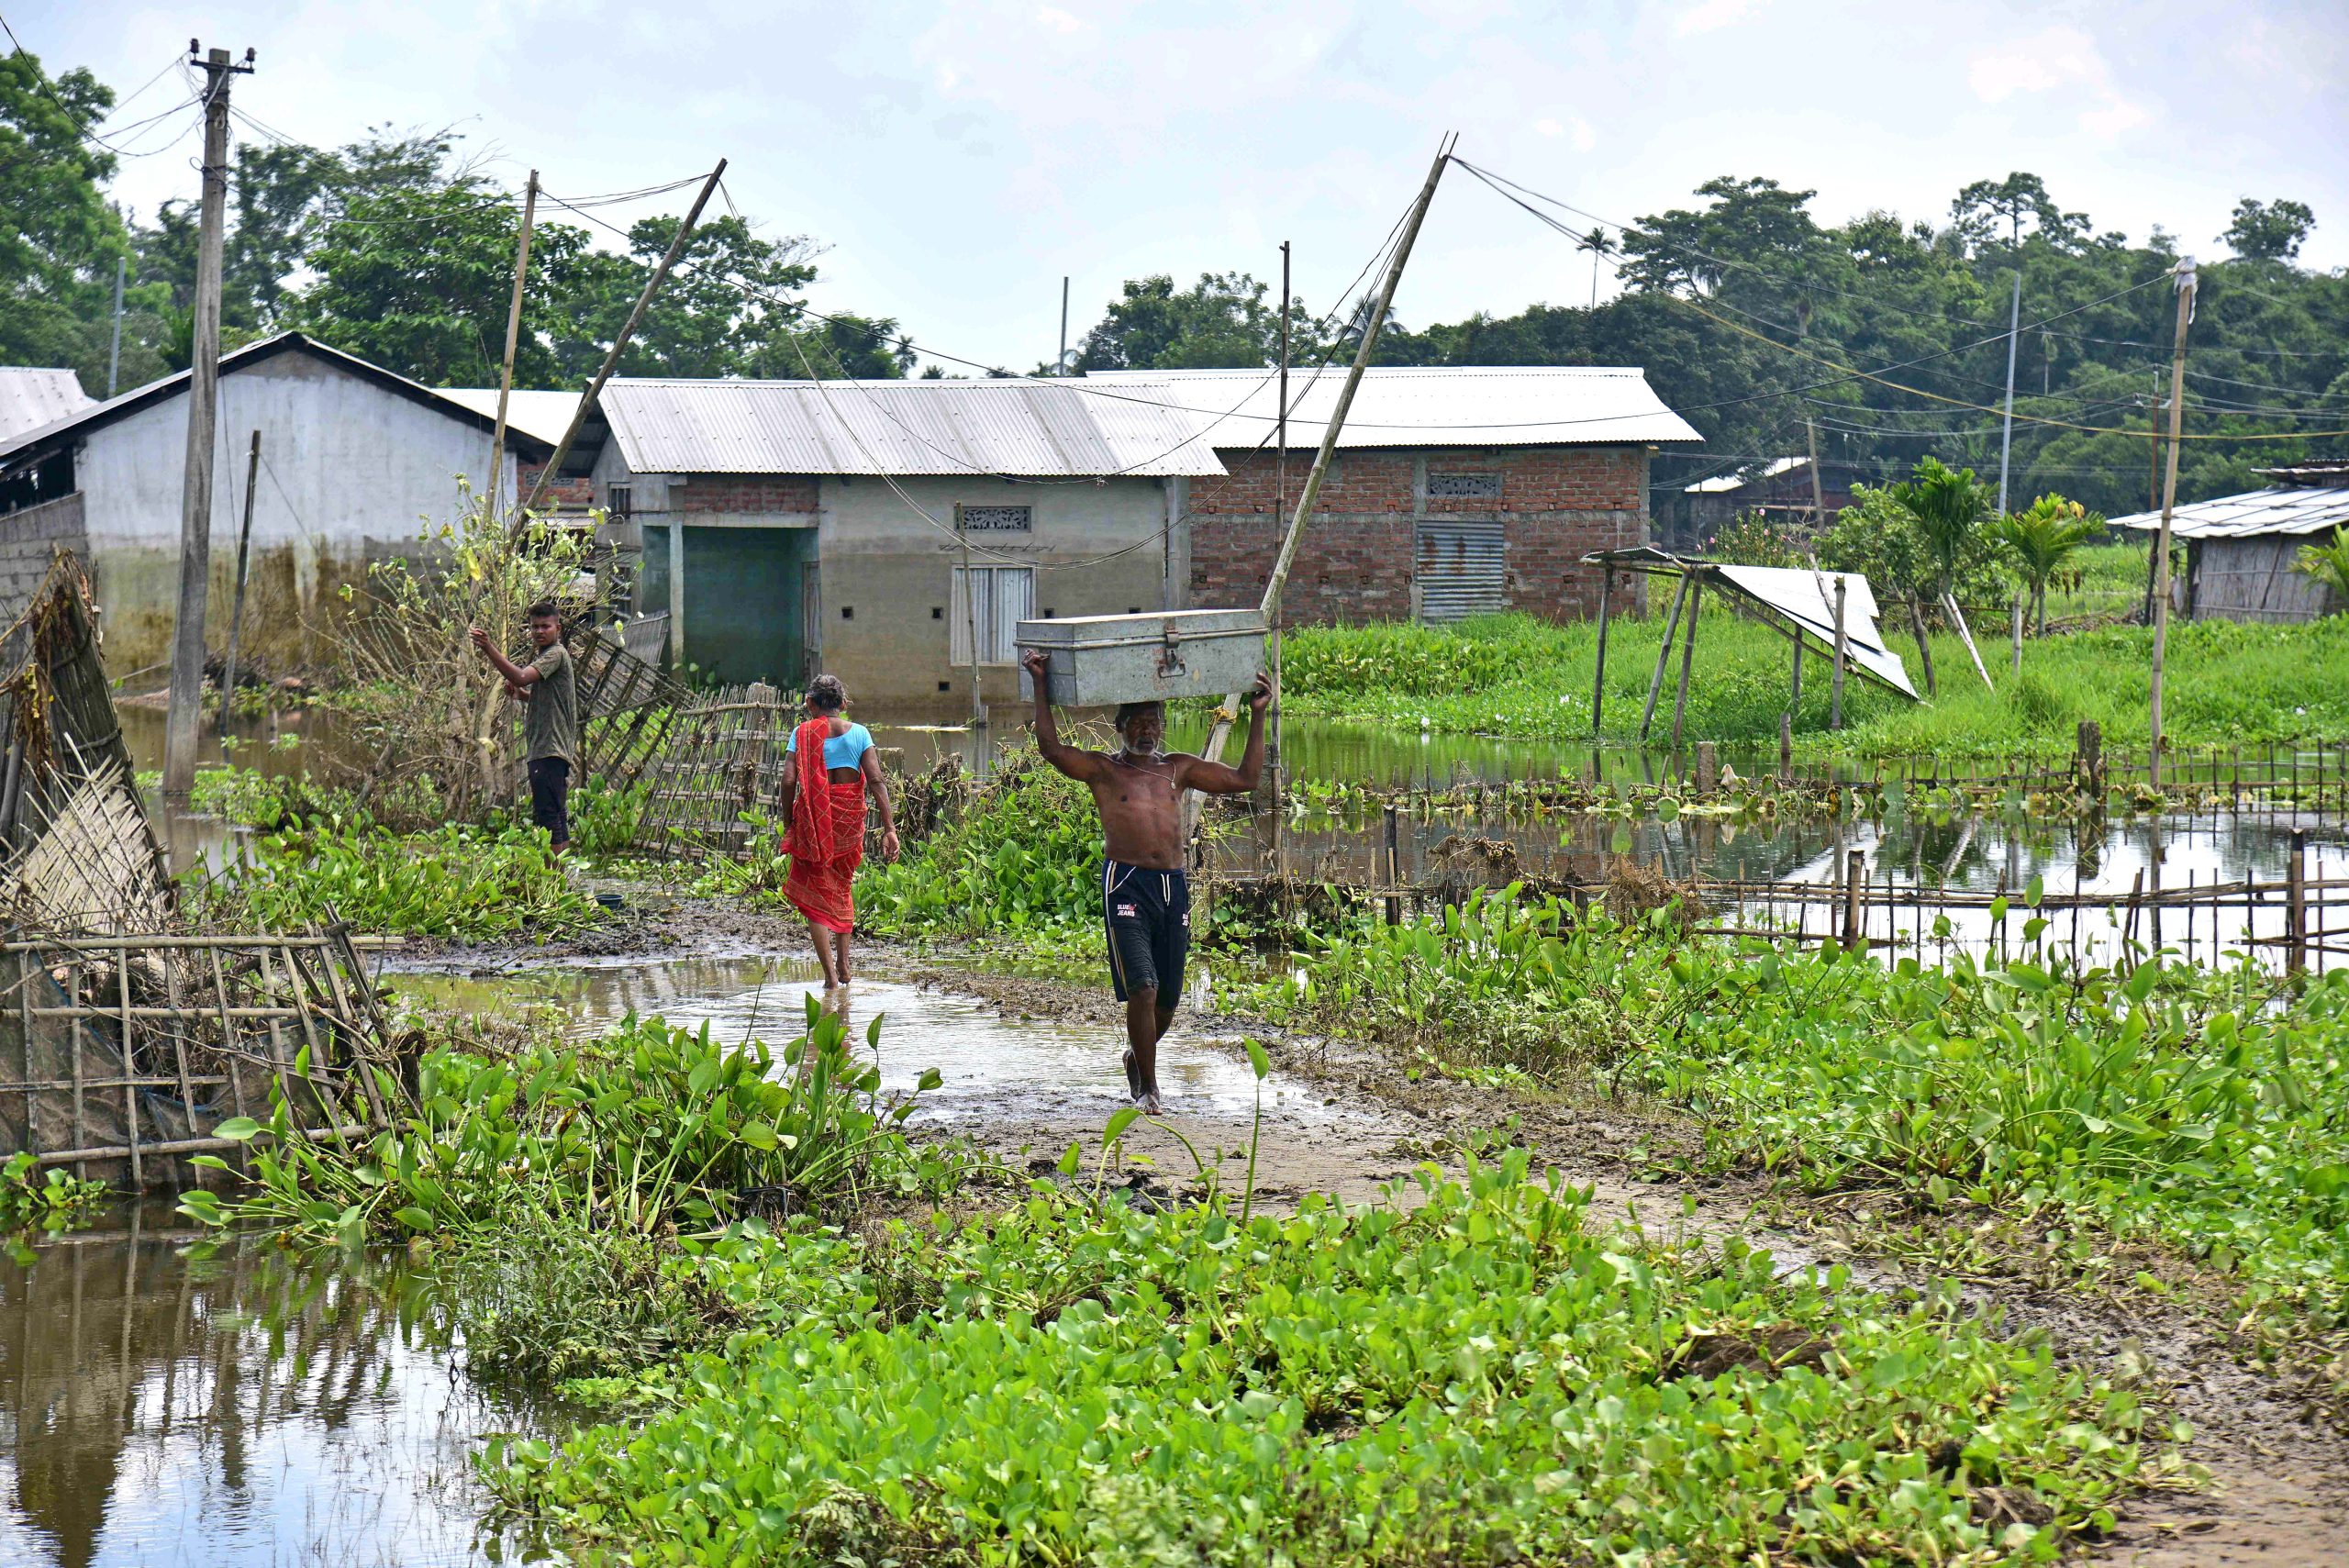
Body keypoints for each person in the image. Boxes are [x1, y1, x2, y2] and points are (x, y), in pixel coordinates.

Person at [1022, 649, 1271, 1115]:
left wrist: (1258, 716)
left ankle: (1137, 1056)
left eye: (1153, 721)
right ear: (1120, 728)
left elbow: (1246, 779)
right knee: (1143, 987)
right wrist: (1040, 682)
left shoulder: (1177, 768)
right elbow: (1052, 750)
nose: (1146, 730)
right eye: (1136, 722)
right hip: (1127, 885)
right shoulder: (1103, 769)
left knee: (1167, 1004)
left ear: (1162, 727)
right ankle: (1148, 1089)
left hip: (1172, 887)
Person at [779, 673, 899, 990]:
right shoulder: (859, 733)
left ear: (810, 703)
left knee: (816, 893)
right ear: (843, 704)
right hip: (848, 822)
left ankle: (831, 976)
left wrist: (789, 823)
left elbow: (789, 781)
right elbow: (876, 781)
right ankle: (845, 962)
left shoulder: (801, 733)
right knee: (842, 883)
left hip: (813, 824)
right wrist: (889, 828)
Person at [469, 600, 579, 857]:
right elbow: (550, 699)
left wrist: (488, 648)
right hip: (549, 750)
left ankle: (552, 881)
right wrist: (523, 696)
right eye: (535, 627)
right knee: (557, 818)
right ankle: (559, 881)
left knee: (549, 819)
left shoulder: (555, 654)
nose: (540, 632)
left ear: (558, 628)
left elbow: (518, 675)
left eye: (545, 627)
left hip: (549, 749)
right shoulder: (547, 657)